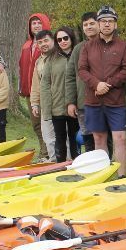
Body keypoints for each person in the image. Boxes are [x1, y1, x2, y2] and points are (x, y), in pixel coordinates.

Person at [78, 5, 126, 177]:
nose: (107, 24)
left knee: (120, 139)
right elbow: (82, 70)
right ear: (99, 24)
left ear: (115, 25)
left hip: (116, 101)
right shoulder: (87, 47)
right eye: (103, 21)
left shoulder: (124, 46)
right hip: (93, 101)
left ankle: (121, 176)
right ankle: (103, 175)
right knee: (99, 139)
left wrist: (107, 84)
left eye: (110, 21)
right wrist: (96, 84)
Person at [43, 27, 80, 161]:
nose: (63, 41)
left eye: (65, 38)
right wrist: (47, 109)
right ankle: (60, 166)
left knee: (75, 137)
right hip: (57, 105)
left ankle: (77, 165)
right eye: (59, 39)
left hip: (75, 105)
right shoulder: (51, 59)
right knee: (59, 138)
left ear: (71, 38)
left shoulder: (79, 54)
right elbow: (45, 84)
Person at [18, 13, 52, 158]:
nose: (36, 25)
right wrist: (23, 88)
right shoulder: (26, 45)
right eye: (33, 23)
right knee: (36, 125)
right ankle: (43, 151)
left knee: (48, 124)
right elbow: (22, 68)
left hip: (47, 92)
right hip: (30, 92)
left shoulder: (49, 43)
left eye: (39, 22)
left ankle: (49, 152)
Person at [66, 12, 99, 152]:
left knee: (103, 136)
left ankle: (106, 165)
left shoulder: (108, 46)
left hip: (103, 102)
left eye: (92, 23)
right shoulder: (78, 49)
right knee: (87, 136)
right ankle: (92, 168)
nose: (88, 27)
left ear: (99, 24)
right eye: (85, 25)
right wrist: (70, 102)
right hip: (82, 102)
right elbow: (70, 76)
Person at [29, 30, 57, 162]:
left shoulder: (60, 57)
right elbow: (35, 85)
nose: (43, 44)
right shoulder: (39, 61)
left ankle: (66, 160)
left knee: (63, 135)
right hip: (45, 105)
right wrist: (34, 103)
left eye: (46, 41)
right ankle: (53, 160)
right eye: (40, 42)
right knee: (48, 136)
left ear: (52, 40)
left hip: (60, 104)